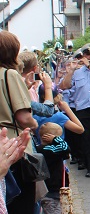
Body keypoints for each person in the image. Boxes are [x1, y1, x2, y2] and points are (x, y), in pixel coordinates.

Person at [0, 31, 38, 214]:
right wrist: (35, 124)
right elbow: (24, 118)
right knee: (22, 205)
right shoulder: (9, 74)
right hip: (13, 148)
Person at [59, 43, 90, 178]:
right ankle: (89, 166)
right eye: (87, 54)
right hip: (83, 108)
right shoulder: (77, 72)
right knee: (86, 138)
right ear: (83, 55)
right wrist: (71, 71)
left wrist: (89, 66)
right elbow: (65, 85)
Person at [36, 122, 70, 214]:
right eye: (59, 136)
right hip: (51, 191)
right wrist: (55, 139)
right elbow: (65, 148)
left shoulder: (41, 149)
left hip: (51, 190)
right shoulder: (47, 149)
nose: (60, 139)